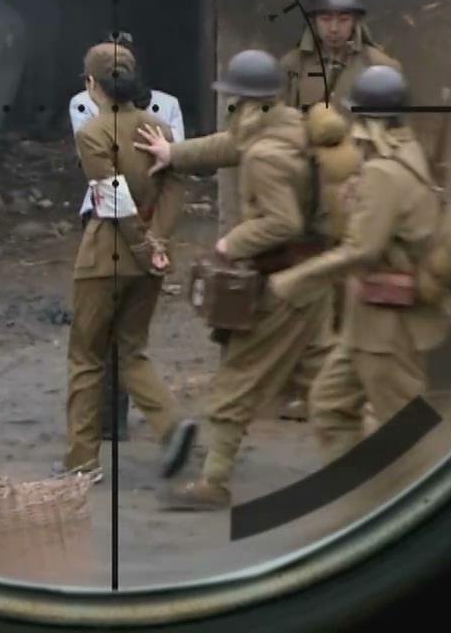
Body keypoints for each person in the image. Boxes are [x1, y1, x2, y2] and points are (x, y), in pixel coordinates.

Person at [133, 49, 328, 509]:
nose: (231, 108)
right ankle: (389, 458)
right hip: (313, 281)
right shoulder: (286, 125)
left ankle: (213, 482)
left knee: (237, 379)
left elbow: (282, 222)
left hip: (282, 283)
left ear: (247, 101)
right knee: (330, 375)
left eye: (234, 100)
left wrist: (231, 243)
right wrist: (174, 154)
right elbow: (231, 144)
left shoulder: (266, 156)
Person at [264, 65, 447, 462]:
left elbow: (361, 250)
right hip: (364, 321)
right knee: (330, 406)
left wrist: (295, 278)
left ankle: (430, 492)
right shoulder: (406, 154)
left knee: (405, 431)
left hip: (387, 325)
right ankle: (362, 488)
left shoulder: (384, 171)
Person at [62, 41, 197, 477]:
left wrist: (141, 246)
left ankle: (82, 461)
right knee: (131, 350)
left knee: (87, 356)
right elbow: (175, 188)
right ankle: (171, 424)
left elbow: (112, 197)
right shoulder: (159, 129)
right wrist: (158, 243)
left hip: (106, 254)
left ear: (92, 84)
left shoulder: (92, 134)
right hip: (150, 261)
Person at [275, 0, 402, 420]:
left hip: (358, 190)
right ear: (314, 21)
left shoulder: (381, 68)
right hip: (308, 191)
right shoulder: (293, 66)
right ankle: (305, 388)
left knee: (355, 293)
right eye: (326, 19)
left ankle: (356, 391)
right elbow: (281, 125)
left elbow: (395, 132)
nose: (334, 28)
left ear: (356, 22)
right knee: (309, 290)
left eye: (343, 19)